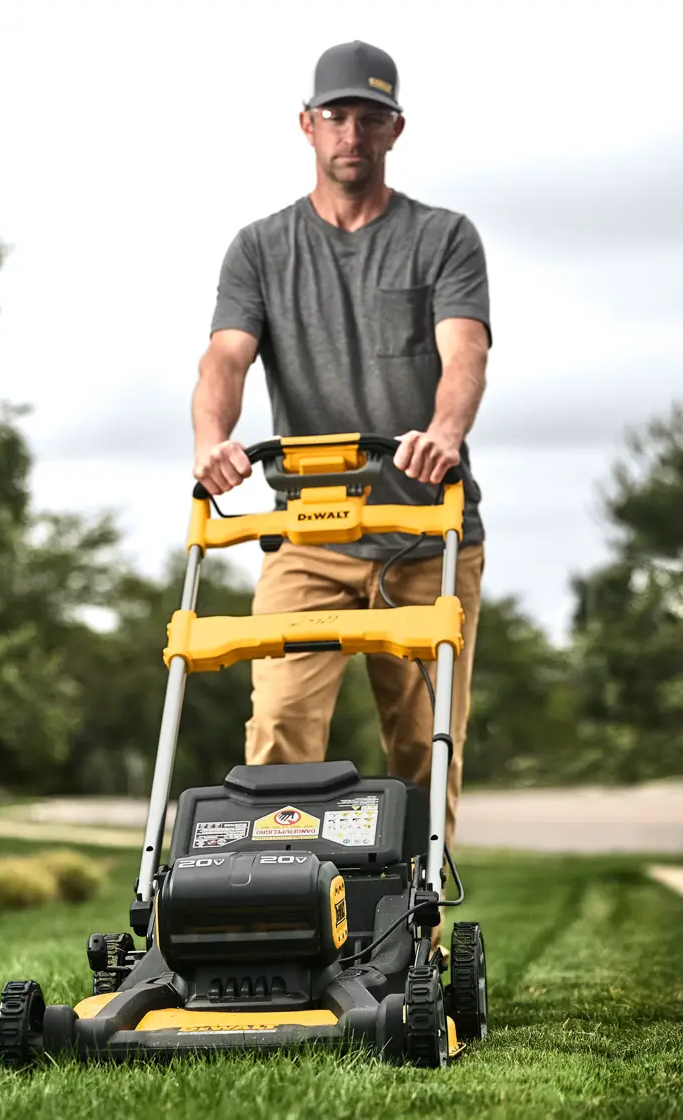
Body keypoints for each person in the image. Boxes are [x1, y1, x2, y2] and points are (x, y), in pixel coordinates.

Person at [191, 39, 491, 939]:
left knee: (421, 747)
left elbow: (463, 351)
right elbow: (224, 356)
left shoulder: (443, 237)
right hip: (309, 533)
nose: (350, 131)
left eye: (369, 115)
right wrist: (213, 441)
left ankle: (413, 939)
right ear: (307, 125)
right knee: (278, 722)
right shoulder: (261, 248)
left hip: (424, 536)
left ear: (394, 128)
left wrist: (444, 433)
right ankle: (265, 916)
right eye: (336, 114)